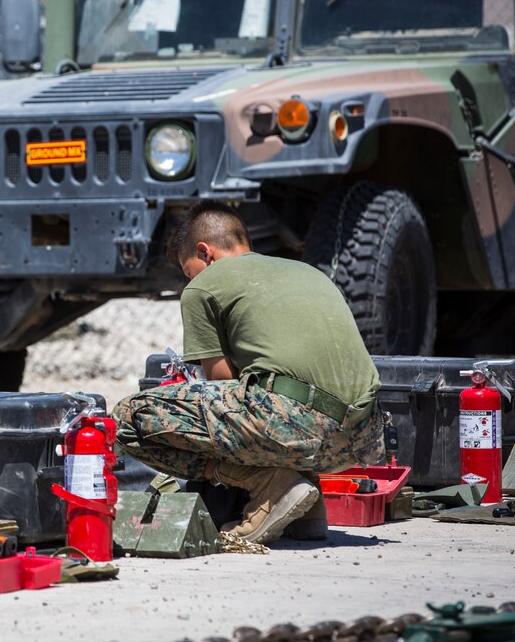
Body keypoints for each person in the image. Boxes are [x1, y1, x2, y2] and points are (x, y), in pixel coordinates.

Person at [112, 199, 385, 544]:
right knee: (272, 389)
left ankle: (268, 484)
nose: (190, 280)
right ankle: (308, 510)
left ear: (204, 252)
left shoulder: (204, 286)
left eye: (188, 270)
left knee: (127, 418)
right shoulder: (308, 272)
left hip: (299, 425)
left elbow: (223, 386)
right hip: (363, 437)